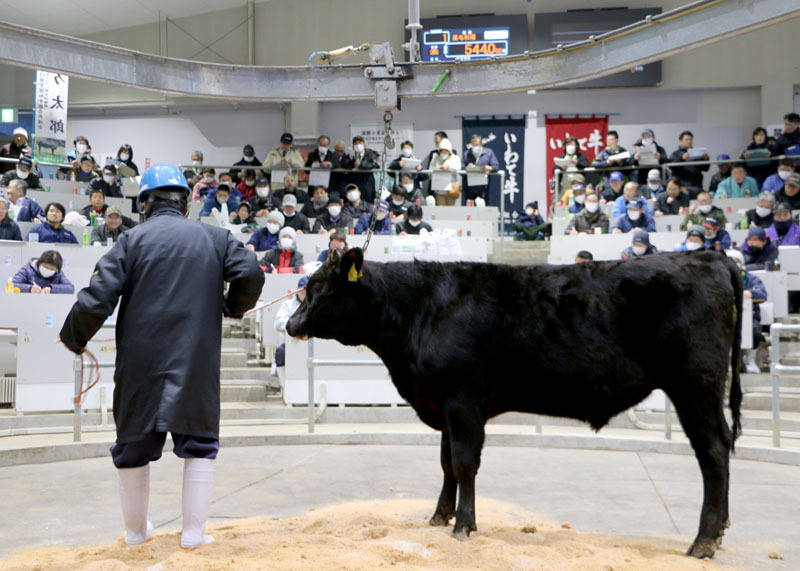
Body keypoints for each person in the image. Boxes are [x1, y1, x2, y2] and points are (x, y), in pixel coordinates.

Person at [59, 163, 263, 549]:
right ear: (185, 204)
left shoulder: (130, 241)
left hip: (140, 362)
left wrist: (74, 336)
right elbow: (250, 273)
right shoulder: (215, 237)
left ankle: (136, 533)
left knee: (132, 445)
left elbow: (97, 297)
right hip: (196, 359)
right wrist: (232, 306)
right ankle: (193, 534)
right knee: (199, 443)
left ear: (145, 205)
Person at [726, 249, 767, 373]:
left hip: (749, 315)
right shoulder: (721, 278)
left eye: (736, 261)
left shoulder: (751, 279)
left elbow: (761, 293)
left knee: (754, 330)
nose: (733, 264)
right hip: (726, 315)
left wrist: (749, 293)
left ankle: (749, 360)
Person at [273, 275, 308, 373]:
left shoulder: (318, 304)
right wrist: (297, 327)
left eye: (308, 290)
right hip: (293, 341)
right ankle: (284, 386)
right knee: (281, 352)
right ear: (297, 290)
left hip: (314, 342)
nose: (305, 293)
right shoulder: (288, 305)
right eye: (303, 290)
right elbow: (278, 323)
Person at [669, 131, 709, 197]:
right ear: (681, 141)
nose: (689, 141)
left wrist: (705, 159)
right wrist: (682, 158)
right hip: (681, 187)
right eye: (687, 139)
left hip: (697, 187)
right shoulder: (675, 154)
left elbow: (705, 168)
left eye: (691, 139)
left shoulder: (697, 153)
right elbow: (672, 167)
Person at [462, 134, 499, 203]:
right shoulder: (466, 154)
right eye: (473, 145)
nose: (475, 146)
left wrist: (489, 168)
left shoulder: (488, 153)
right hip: (469, 188)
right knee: (470, 211)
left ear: (481, 144)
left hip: (483, 187)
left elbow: (496, 166)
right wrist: (467, 167)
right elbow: (461, 168)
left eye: (477, 144)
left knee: (483, 208)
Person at [429, 138, 462, 206]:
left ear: (449, 151)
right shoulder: (435, 158)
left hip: (451, 189)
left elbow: (458, 168)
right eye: (442, 151)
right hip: (439, 189)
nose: (443, 153)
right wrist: (436, 168)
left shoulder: (455, 158)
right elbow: (430, 170)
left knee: (450, 211)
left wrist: (448, 167)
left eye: (445, 151)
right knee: (441, 211)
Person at [349, 135, 380, 203]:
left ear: (364, 145)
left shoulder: (370, 153)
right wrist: (352, 164)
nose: (358, 145)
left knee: (368, 201)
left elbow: (373, 165)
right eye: (356, 144)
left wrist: (361, 164)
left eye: (360, 143)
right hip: (356, 182)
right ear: (353, 146)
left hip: (367, 182)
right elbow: (346, 164)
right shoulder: (351, 155)